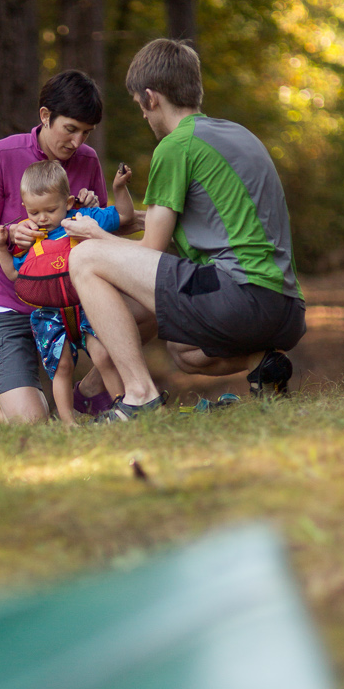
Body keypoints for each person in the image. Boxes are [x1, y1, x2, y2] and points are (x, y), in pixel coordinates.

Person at [65, 38, 306, 421]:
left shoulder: (176, 146)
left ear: (150, 98)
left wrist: (94, 236)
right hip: (286, 308)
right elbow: (210, 222)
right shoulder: (238, 135)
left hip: (241, 299)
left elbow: (150, 252)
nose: (144, 117)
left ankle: (139, 395)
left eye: (139, 107)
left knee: (86, 259)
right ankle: (265, 364)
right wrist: (127, 224)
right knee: (184, 350)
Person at [0, 69, 156, 425]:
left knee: (151, 307)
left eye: (86, 132)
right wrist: (7, 232)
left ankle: (91, 395)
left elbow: (97, 234)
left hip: (70, 303)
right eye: (70, 129)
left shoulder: (87, 161)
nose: (77, 141)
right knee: (32, 423)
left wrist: (90, 208)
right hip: (7, 306)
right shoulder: (0, 155)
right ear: (45, 116)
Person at [0, 159, 134, 424]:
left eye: (51, 209)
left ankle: (123, 408)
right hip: (49, 316)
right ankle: (68, 424)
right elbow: (14, 275)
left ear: (67, 203)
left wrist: (119, 188)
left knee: (104, 356)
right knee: (62, 367)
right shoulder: (29, 239)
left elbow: (123, 216)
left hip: (88, 305)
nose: (42, 218)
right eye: (34, 212)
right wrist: (2, 247)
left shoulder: (82, 219)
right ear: (25, 208)